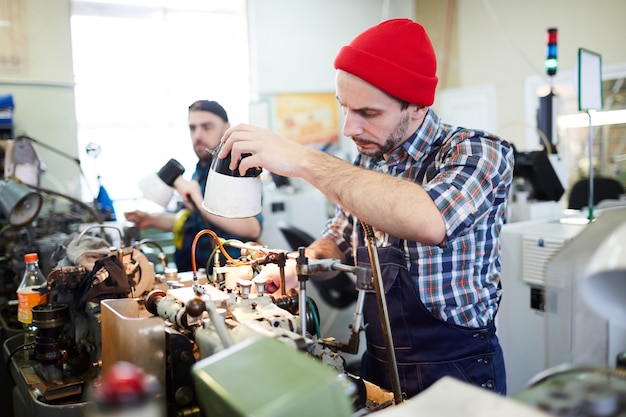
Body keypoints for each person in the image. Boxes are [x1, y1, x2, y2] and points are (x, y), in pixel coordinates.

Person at [217, 19, 513, 399]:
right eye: (344, 108)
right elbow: (339, 236)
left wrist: (303, 159)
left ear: (418, 107)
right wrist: (297, 267)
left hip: (457, 368)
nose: (348, 128)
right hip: (380, 360)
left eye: (367, 113)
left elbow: (428, 219)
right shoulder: (369, 161)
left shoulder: (478, 152)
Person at [124, 100, 262, 272]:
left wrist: (199, 199)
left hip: (229, 275)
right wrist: (151, 220)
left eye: (207, 127)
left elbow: (252, 228)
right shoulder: (201, 168)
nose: (198, 135)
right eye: (192, 128)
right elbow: (193, 221)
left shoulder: (236, 168)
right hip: (197, 275)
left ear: (227, 128)